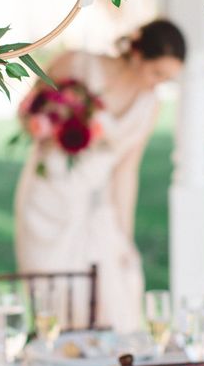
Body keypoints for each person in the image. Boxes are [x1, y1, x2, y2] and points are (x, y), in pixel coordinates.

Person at [14, 19, 186, 333]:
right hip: (46, 198)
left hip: (95, 203)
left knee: (115, 294)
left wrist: (126, 236)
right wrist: (50, 125)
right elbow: (26, 111)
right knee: (51, 299)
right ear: (137, 53)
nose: (158, 83)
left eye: (167, 79)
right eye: (157, 73)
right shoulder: (76, 64)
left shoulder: (150, 104)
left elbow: (126, 171)